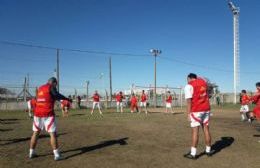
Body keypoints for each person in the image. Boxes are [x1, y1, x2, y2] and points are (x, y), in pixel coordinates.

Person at [29, 77, 71, 161]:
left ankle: (31, 152)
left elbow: (37, 99)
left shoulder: (40, 88)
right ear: (54, 83)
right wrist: (66, 99)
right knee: (52, 134)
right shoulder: (51, 87)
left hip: (37, 113)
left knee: (35, 133)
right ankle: (57, 155)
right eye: (56, 84)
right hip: (48, 114)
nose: (56, 86)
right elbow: (56, 95)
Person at [183, 73, 213, 159]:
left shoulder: (189, 86)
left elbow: (189, 101)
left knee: (195, 131)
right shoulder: (203, 82)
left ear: (189, 78)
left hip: (196, 110)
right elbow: (209, 94)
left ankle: (193, 154)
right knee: (206, 129)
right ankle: (208, 150)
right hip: (206, 109)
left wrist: (188, 114)